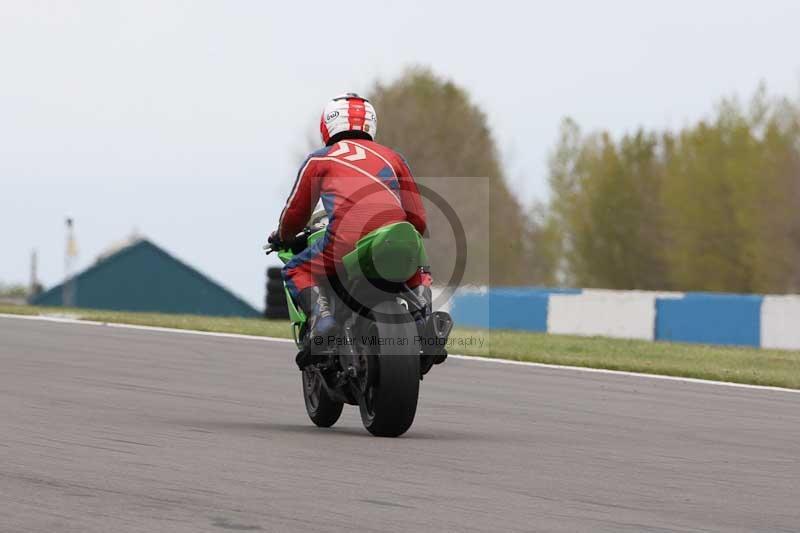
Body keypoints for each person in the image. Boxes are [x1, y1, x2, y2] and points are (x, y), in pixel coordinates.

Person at [269, 93, 433, 344]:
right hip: (397, 240)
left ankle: (323, 321)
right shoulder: (393, 158)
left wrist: (282, 236)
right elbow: (418, 220)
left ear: (328, 124)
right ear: (371, 123)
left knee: (296, 269)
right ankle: (425, 322)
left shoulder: (320, 159)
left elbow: (296, 213)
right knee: (418, 268)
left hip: (345, 243)